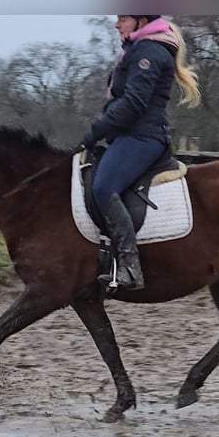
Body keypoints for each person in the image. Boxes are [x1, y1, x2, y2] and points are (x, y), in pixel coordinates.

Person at [80, 15, 201, 291]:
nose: (116, 24)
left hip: (143, 137)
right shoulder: (137, 50)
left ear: (141, 20)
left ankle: (130, 266)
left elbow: (133, 103)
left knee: (103, 188)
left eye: (122, 18)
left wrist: (95, 131)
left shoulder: (148, 52)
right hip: (127, 136)